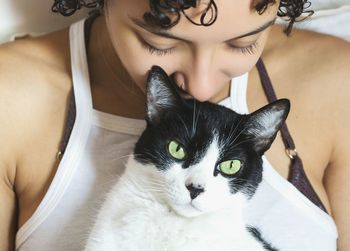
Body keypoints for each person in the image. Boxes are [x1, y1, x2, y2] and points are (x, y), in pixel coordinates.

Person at [0, 0, 349, 250]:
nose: (200, 87)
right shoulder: (11, 94)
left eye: (243, 43)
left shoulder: (335, 80)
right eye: (159, 42)